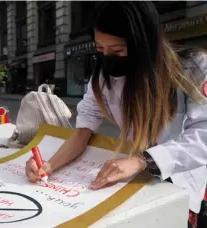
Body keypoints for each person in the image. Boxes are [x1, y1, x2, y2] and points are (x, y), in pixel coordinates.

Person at [25, 2, 207, 228]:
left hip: (178, 179)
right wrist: (49, 165)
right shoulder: (104, 76)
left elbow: (203, 136)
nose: (109, 58)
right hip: (132, 179)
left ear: (145, 43)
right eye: (101, 50)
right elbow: (83, 131)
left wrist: (144, 160)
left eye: (118, 50)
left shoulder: (193, 67)